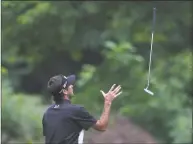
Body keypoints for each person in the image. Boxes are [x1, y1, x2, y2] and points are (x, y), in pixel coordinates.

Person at [42, 74, 122, 144]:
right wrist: (107, 102)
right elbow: (102, 126)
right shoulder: (76, 111)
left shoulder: (48, 113)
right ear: (65, 91)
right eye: (69, 85)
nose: (72, 85)